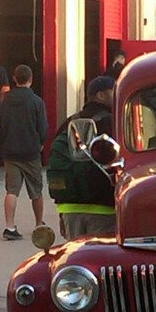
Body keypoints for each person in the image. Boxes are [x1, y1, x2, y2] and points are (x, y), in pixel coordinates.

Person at [51, 75, 116, 240]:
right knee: (100, 261)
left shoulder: (69, 123)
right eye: (113, 90)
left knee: (75, 258)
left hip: (69, 208)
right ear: (100, 95)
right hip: (104, 208)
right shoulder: (112, 122)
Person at [0, 64, 48, 241]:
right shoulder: (36, 101)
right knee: (36, 191)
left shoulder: (3, 101)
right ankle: (39, 224)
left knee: (12, 190)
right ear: (30, 79)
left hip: (10, 152)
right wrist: (40, 143)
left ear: (15, 79)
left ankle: (9, 226)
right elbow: (43, 128)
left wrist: (2, 146)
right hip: (31, 152)